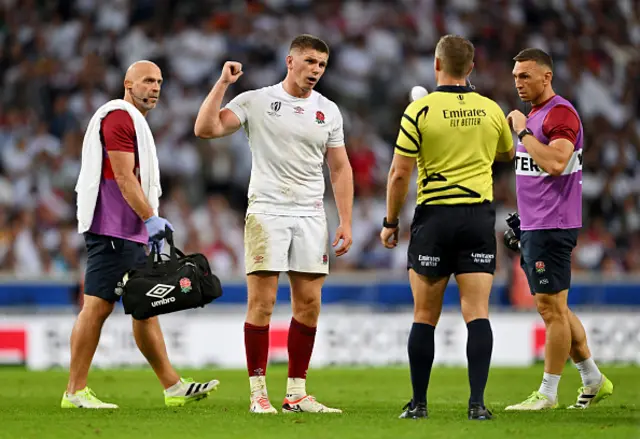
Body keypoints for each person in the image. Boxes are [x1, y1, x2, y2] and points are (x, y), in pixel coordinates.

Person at [194, 35, 353, 414]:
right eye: (310, 62)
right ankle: (258, 394)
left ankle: (296, 393)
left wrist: (344, 219)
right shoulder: (256, 100)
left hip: (312, 213)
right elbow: (206, 128)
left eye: (322, 65)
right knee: (262, 304)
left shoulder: (328, 110)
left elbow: (340, 167)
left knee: (309, 304)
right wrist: (222, 84)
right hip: (267, 210)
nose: (316, 70)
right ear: (290, 60)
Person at [64, 60, 218, 409]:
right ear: (127, 84)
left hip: (129, 230)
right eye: (148, 81)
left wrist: (146, 224)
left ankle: (173, 386)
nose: (155, 87)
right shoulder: (119, 116)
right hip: (113, 229)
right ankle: (74, 391)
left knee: (144, 306)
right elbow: (122, 175)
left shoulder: (133, 121)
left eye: (160, 81)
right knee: (97, 307)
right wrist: (151, 218)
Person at [380, 35, 515, 421]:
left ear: (436, 65)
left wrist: (391, 223)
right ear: (470, 68)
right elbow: (506, 152)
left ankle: (419, 404)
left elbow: (398, 173)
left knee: (424, 315)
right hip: (477, 218)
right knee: (477, 312)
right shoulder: (490, 109)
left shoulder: (419, 111)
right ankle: (478, 405)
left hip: (435, 218)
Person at [504, 48, 613, 411]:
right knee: (557, 309)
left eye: (526, 76)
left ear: (546, 77)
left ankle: (547, 394)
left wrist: (521, 132)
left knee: (551, 310)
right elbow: (531, 169)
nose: (518, 82)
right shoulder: (536, 115)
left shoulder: (559, 113)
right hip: (537, 224)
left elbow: (555, 161)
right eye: (516, 75)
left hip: (554, 224)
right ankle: (593, 377)